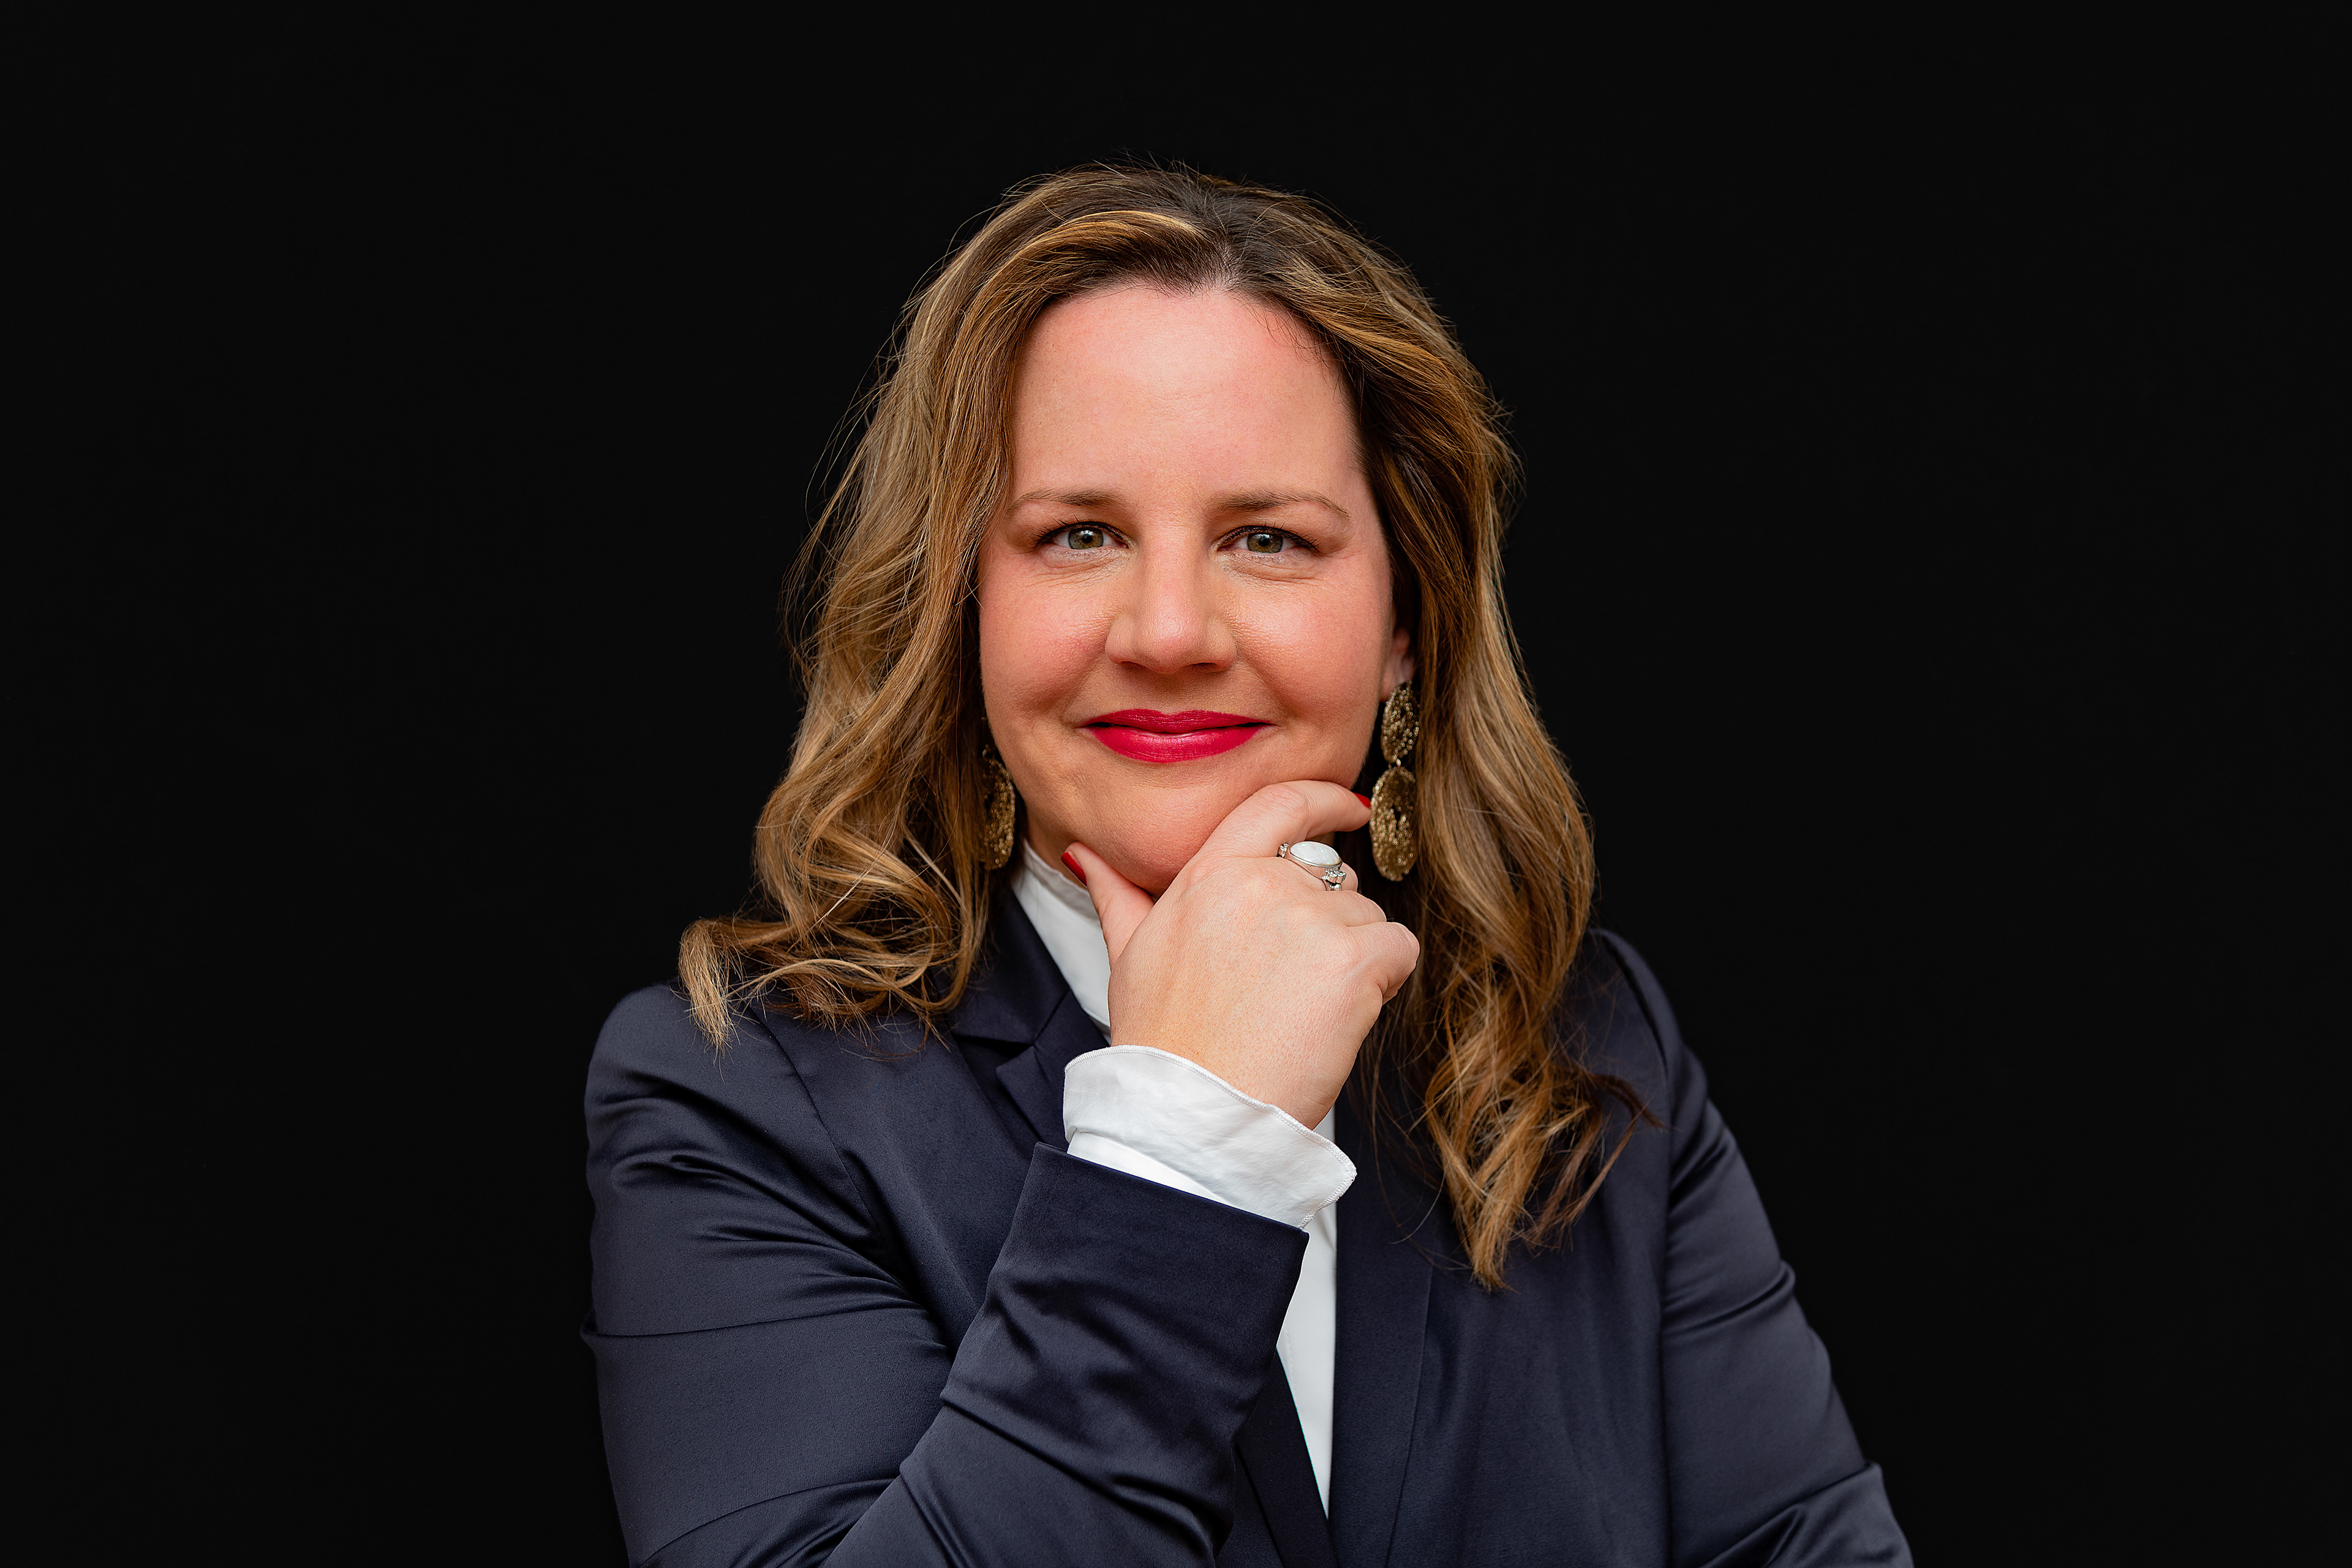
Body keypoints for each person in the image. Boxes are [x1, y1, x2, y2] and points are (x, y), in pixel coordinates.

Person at [584, 165, 1910, 1567]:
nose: (1169, 629)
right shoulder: (739, 1096)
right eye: (1078, 534)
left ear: (1406, 622)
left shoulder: (1582, 1040)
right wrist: (1185, 1141)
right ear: (962, 603)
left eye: (1268, 538)